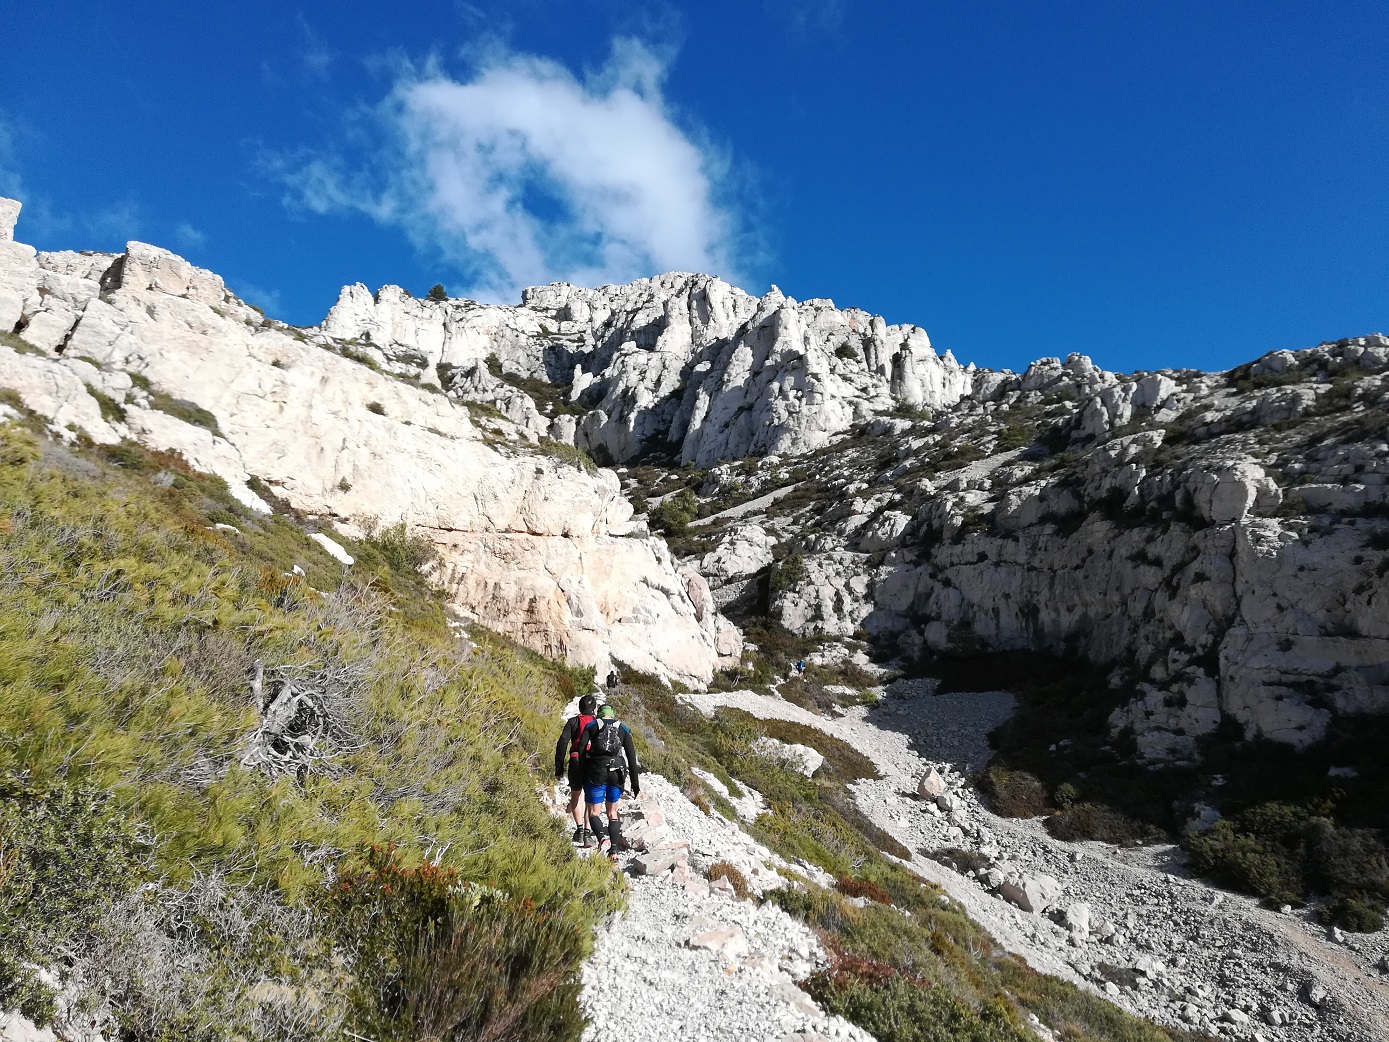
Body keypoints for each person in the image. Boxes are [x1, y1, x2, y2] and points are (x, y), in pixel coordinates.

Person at [576, 703, 640, 860]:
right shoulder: (623, 728)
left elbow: (581, 750)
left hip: (596, 771)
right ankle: (614, 850)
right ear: (613, 714)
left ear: (599, 714)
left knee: (594, 812)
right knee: (612, 812)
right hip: (617, 772)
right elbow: (632, 758)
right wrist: (635, 784)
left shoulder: (592, 725)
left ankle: (601, 838)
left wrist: (582, 773)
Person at [554, 694, 598, 845]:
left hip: (575, 760)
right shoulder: (598, 723)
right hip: (593, 762)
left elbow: (562, 743)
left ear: (580, 708)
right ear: (594, 709)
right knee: (590, 797)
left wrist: (559, 767)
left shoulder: (573, 722)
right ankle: (587, 833)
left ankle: (579, 829)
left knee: (576, 794)